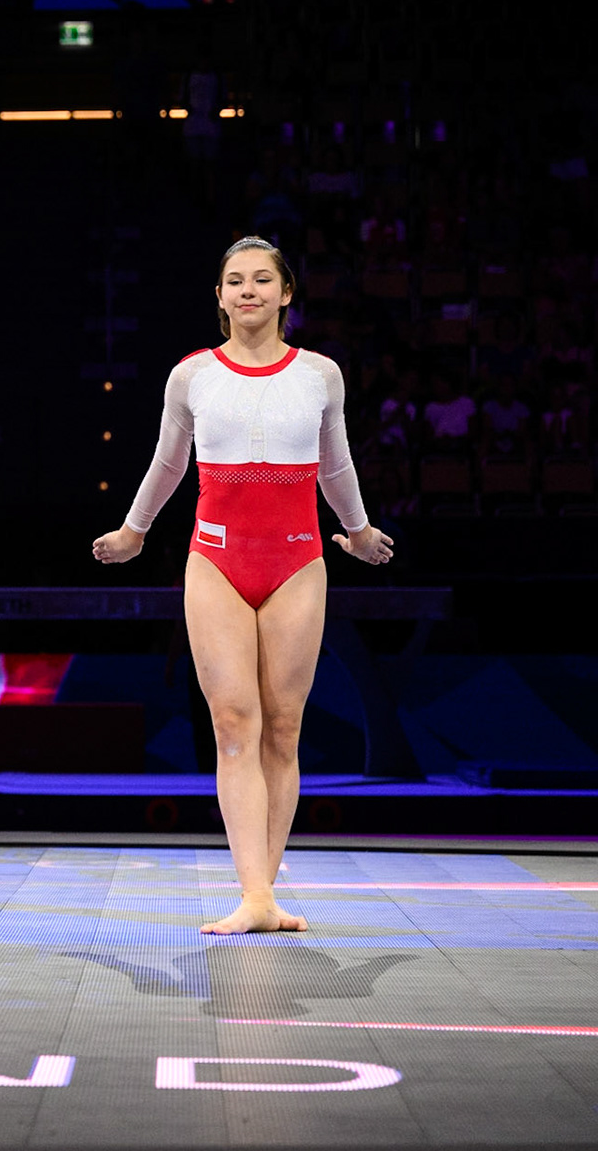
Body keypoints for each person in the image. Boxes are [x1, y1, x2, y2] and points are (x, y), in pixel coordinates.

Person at [93, 238, 393, 935]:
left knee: (283, 729)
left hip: (298, 560)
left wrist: (359, 528)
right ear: (220, 296)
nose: (249, 290)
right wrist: (134, 531)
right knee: (235, 724)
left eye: (263, 280)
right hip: (216, 561)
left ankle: (267, 887)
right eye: (235, 281)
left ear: (287, 293)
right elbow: (169, 464)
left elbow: (335, 464)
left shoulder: (320, 373)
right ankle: (252, 891)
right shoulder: (192, 376)